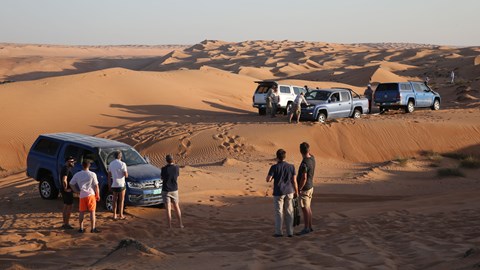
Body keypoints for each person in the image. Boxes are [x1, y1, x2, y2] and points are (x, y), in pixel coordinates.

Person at [266, 149, 299, 237]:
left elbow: (268, 179)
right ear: (285, 156)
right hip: (289, 191)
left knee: (279, 212)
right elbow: (294, 181)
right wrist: (296, 191)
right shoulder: (291, 166)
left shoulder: (274, 167)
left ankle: (279, 232)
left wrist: (272, 176)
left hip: (278, 192)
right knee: (289, 211)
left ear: (277, 157)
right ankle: (290, 232)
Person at [70, 159, 100, 233]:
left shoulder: (78, 174)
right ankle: (93, 228)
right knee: (92, 212)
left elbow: (71, 183)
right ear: (89, 165)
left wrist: (76, 191)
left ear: (82, 165)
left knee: (81, 212)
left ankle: (81, 228)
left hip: (82, 195)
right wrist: (98, 195)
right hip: (91, 194)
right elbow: (96, 186)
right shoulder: (92, 174)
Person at [296, 142, 316, 235]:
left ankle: (306, 228)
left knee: (305, 208)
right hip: (310, 187)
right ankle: (310, 226)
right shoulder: (312, 158)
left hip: (305, 188)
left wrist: (299, 188)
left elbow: (304, 177)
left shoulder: (304, 163)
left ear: (300, 151)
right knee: (308, 208)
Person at [161, 154, 184, 229]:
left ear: (166, 160)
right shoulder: (176, 167)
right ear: (172, 160)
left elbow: (162, 178)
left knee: (168, 209)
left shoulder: (164, 169)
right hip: (174, 190)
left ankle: (169, 226)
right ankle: (180, 224)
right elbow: (177, 175)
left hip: (166, 190)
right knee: (176, 206)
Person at [108, 150, 128, 220]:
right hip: (121, 184)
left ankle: (114, 215)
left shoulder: (111, 164)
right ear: (120, 156)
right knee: (121, 200)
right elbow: (126, 175)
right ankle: (121, 214)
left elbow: (109, 175)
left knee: (114, 200)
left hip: (114, 184)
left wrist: (109, 184)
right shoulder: (123, 164)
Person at [60, 156, 76, 229]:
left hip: (64, 190)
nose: (72, 163)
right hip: (67, 190)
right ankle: (66, 223)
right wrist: (66, 188)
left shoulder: (65, 168)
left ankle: (65, 223)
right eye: (71, 161)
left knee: (66, 205)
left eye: (73, 161)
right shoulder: (66, 169)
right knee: (69, 206)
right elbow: (64, 180)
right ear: (67, 162)